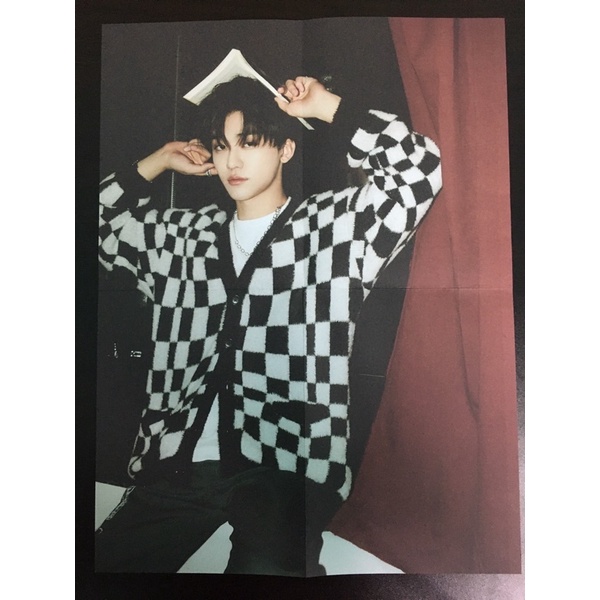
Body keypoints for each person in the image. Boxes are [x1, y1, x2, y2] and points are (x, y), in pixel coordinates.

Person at [95, 74, 442, 575]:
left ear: (286, 149)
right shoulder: (182, 240)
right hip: (177, 467)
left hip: (285, 468)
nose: (232, 161)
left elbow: (418, 173)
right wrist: (158, 160)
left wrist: (328, 107)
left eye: (250, 142)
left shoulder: (333, 231)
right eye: (221, 146)